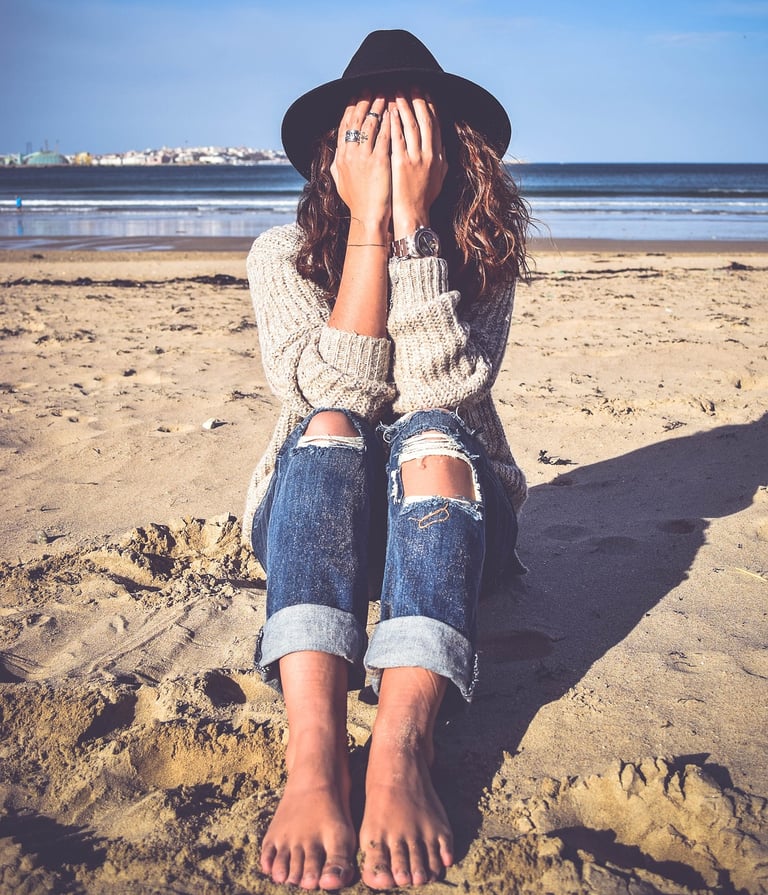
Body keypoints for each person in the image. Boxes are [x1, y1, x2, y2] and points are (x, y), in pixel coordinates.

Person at [242, 29, 530, 891]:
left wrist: (411, 230)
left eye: (412, 130)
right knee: (331, 419)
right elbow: (342, 396)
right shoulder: (277, 259)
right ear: (337, 151)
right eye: (372, 129)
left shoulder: (480, 259)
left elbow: (438, 394)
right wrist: (368, 219)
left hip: (456, 513)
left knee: (433, 435)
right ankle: (315, 757)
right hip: (316, 513)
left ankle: (403, 751)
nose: (393, 147)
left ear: (448, 147)